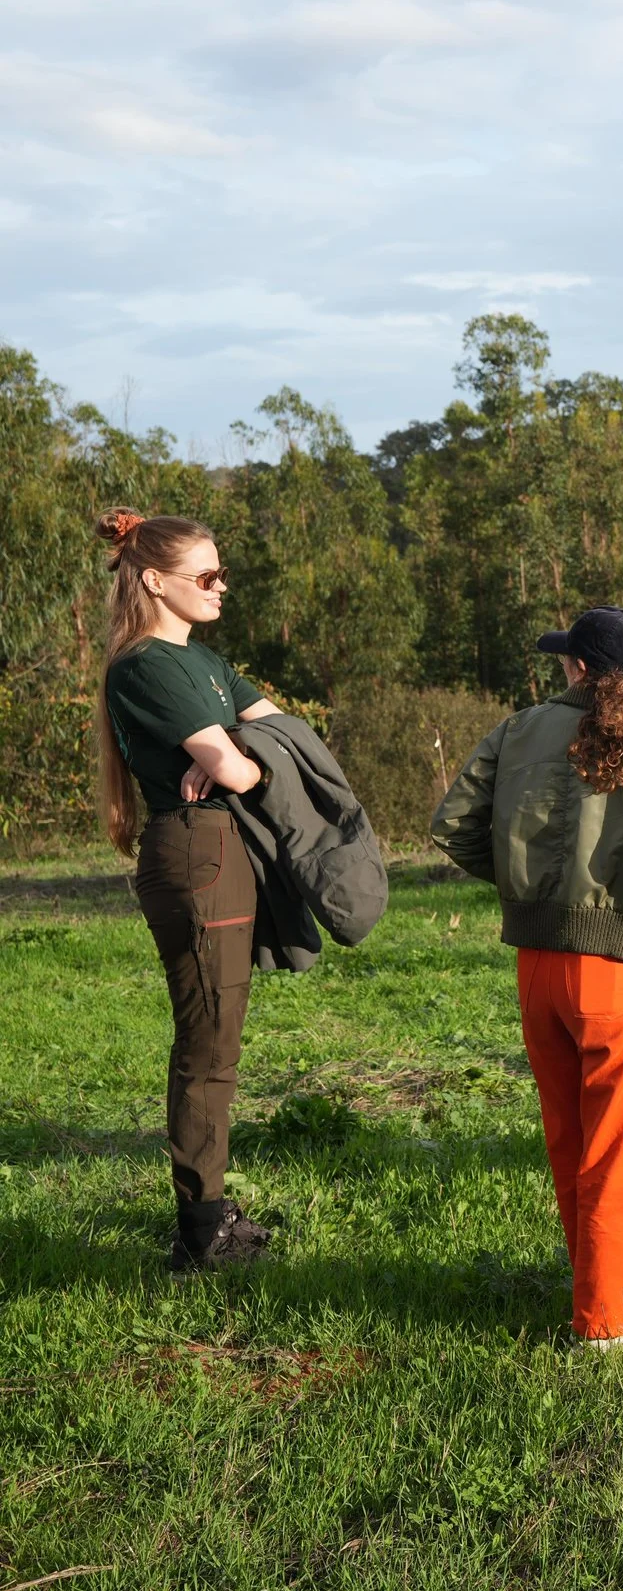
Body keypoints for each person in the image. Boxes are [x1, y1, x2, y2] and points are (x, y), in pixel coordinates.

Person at [431, 607, 623, 1352]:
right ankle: (613, 1321)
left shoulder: (516, 730)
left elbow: (455, 826)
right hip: (619, 968)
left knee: (573, 1139)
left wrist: (521, 884)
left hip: (536, 965)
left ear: (574, 666)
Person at [94, 510, 285, 1271]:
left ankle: (208, 1210)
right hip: (194, 851)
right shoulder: (144, 666)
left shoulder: (202, 661)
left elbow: (285, 731)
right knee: (208, 1044)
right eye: (205, 577)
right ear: (154, 581)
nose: (221, 587)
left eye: (220, 573)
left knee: (220, 1037)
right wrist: (236, 752)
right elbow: (243, 771)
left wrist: (235, 744)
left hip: (220, 849)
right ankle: (202, 1230)